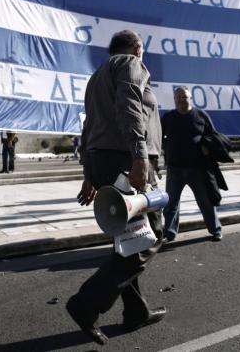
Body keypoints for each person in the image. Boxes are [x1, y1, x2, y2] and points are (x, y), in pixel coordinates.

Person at [67, 30, 165, 345]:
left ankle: (135, 312)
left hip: (102, 160)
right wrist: (140, 156)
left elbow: (88, 126)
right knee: (150, 236)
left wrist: (89, 174)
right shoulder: (130, 63)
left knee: (128, 239)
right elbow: (130, 107)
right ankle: (87, 304)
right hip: (124, 159)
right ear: (137, 48)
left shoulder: (97, 76)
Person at [161, 87, 222, 242]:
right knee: (171, 204)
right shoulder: (168, 118)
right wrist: (156, 159)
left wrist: (207, 146)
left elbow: (213, 136)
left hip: (197, 168)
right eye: (179, 97)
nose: (182, 100)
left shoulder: (201, 115)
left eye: (185, 97)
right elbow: (158, 137)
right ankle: (169, 233)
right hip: (174, 169)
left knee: (206, 201)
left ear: (190, 98)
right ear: (174, 100)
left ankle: (215, 230)